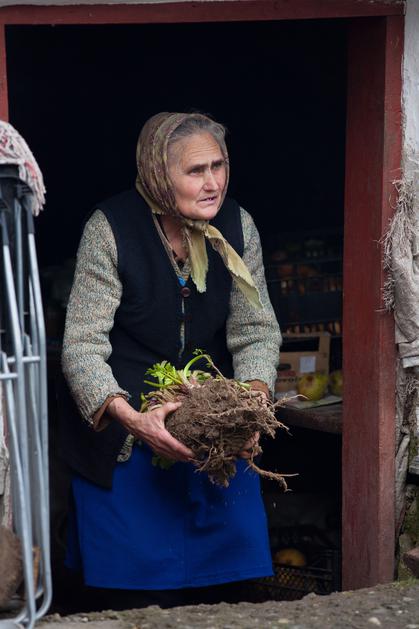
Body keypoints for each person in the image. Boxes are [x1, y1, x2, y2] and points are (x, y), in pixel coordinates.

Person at [61, 112, 281, 610]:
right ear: (160, 175)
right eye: (196, 170)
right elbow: (82, 345)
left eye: (219, 165)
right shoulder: (110, 229)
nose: (213, 183)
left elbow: (257, 329)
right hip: (129, 427)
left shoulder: (239, 226)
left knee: (229, 590)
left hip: (211, 427)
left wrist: (252, 403)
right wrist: (131, 418)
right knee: (137, 597)